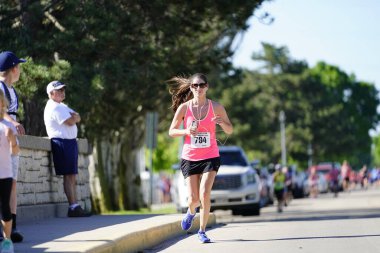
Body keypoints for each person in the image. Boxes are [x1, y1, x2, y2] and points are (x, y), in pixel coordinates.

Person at [168, 73, 233, 243]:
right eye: (195, 85)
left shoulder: (216, 107)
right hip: (190, 157)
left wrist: (221, 123)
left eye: (202, 85)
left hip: (210, 156)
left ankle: (202, 231)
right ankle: (191, 212)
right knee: (194, 199)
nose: (198, 88)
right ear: (191, 88)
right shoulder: (184, 108)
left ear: (207, 87)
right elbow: (171, 131)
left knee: (205, 194)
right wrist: (186, 131)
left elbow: (230, 130)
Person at [43, 80, 91, 217]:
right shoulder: (54, 107)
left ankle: (75, 206)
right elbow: (71, 121)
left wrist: (74, 117)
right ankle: (73, 206)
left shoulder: (61, 105)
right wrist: (73, 117)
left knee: (72, 175)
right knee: (68, 175)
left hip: (69, 142)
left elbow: (78, 117)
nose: (62, 92)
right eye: (59, 90)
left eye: (63, 90)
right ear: (51, 93)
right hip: (62, 142)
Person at [0, 51, 26, 243]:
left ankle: (12, 226)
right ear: (13, 69)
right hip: (3, 138)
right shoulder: (0, 88)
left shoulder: (11, 90)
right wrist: (12, 122)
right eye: (18, 67)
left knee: (13, 183)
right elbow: (2, 112)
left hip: (11, 140)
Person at [0, 88, 19, 253]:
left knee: (4, 207)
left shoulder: (7, 125)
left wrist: (12, 140)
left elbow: (15, 152)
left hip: (4, 174)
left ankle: (7, 241)